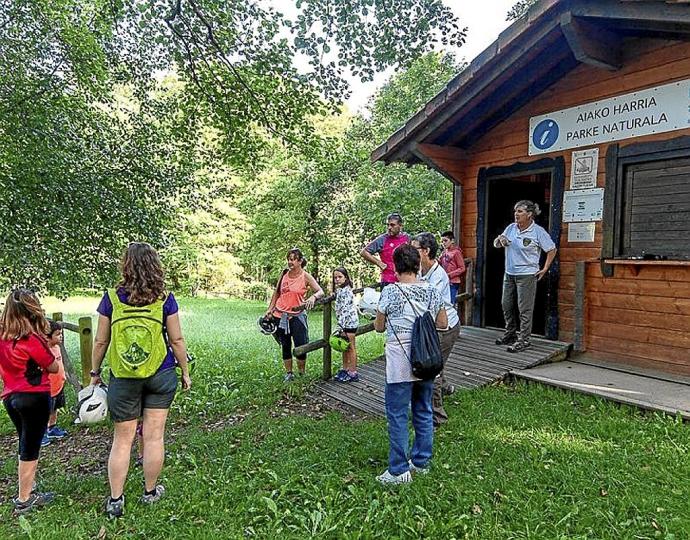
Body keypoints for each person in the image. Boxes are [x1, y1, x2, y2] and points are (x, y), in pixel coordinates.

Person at [89, 242, 192, 519]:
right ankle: (149, 492)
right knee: (154, 436)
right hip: (161, 373)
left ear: (126, 265)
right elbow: (177, 339)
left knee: (122, 441)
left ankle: (115, 501)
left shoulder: (111, 298)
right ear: (154, 266)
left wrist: (95, 373)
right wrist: (185, 371)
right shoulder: (165, 298)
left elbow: (101, 341)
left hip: (123, 377)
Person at [374, 244, 447, 484]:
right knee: (423, 410)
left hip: (399, 363)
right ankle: (421, 462)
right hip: (425, 360)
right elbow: (443, 323)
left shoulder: (390, 292)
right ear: (417, 265)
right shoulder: (432, 291)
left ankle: (398, 470)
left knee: (397, 414)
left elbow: (379, 326)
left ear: (396, 266)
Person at [0, 289, 59, 514]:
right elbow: (52, 365)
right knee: (30, 447)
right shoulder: (31, 339)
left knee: (24, 441)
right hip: (34, 396)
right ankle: (24, 499)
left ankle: (29, 487)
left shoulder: (2, 337)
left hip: (11, 397)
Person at [493, 200, 557, 353]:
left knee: (524, 309)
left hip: (527, 275)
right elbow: (496, 243)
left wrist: (545, 268)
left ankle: (524, 339)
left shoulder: (538, 231)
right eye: (515, 211)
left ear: (529, 214)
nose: (516, 214)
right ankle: (510, 333)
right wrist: (499, 241)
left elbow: (552, 249)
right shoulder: (511, 228)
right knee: (506, 304)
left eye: (520, 211)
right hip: (509, 273)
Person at [412, 232, 460, 428]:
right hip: (432, 325)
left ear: (426, 251)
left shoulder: (438, 276)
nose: (411, 251)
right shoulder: (420, 270)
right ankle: (448, 388)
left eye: (414, 248)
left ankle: (437, 416)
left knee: (431, 368)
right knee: (437, 362)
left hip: (444, 328)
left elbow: (429, 307)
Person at [265, 248, 324, 382]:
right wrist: (270, 309)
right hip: (280, 315)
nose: (290, 262)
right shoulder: (284, 274)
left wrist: (313, 298)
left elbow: (320, 291)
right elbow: (277, 293)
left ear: (300, 261)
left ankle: (302, 373)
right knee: (285, 345)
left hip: (297, 315)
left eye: (293, 259)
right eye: (289, 259)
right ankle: (289, 373)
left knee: (300, 345)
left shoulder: (305, 276)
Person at [360, 212, 410, 287]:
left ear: (400, 226)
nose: (389, 228)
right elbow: (364, 252)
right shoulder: (382, 239)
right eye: (388, 225)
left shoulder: (407, 238)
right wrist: (379, 263)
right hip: (388, 280)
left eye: (392, 225)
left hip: (405, 280)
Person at [331, 267, 359, 383]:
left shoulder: (347, 291)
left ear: (346, 278)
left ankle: (353, 372)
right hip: (343, 323)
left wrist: (341, 327)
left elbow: (345, 310)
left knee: (350, 347)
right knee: (344, 346)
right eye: (335, 277)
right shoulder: (340, 290)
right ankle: (345, 368)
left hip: (349, 323)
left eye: (340, 277)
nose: (337, 280)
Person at [42, 321, 68, 446]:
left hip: (59, 385)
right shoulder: (44, 351)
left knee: (55, 408)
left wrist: (63, 376)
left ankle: (52, 428)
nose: (60, 337)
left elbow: (60, 364)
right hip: (48, 387)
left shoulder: (57, 348)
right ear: (48, 336)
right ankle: (41, 433)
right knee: (44, 411)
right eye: (57, 334)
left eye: (61, 334)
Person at [439, 231, 466, 306]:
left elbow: (462, 268)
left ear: (452, 241)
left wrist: (449, 275)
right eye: (442, 241)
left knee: (450, 303)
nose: (443, 243)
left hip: (453, 282)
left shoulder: (456, 252)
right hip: (445, 281)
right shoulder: (444, 252)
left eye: (445, 241)